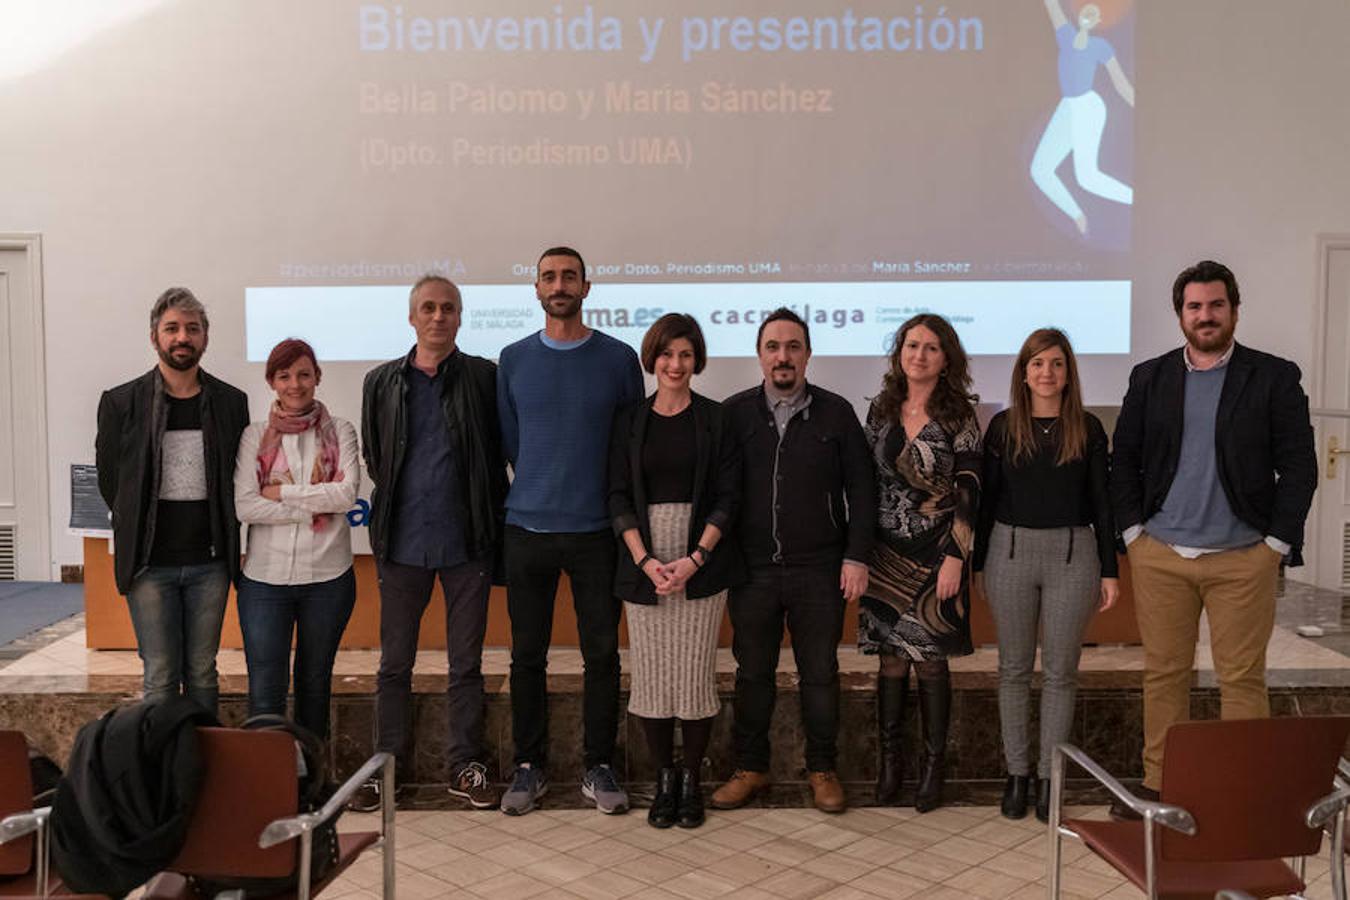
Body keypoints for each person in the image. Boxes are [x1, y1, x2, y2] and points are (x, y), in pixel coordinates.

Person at [1110, 260, 1317, 819]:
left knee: (1242, 678)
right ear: (1180, 314)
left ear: (1234, 310)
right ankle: (1160, 786)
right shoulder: (1150, 378)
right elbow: (1123, 459)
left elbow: (1299, 466)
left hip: (1242, 558)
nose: (1205, 316)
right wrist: (1133, 534)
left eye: (1215, 305)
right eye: (1194, 307)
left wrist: (1275, 544)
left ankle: (1241, 792)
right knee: (1164, 672)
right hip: (1161, 556)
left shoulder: (1272, 377)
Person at [497, 247, 644, 816]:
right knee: (526, 656)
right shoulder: (512, 359)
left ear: (587, 287)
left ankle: (598, 764)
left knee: (601, 655)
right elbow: (513, 442)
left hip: (596, 533)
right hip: (527, 528)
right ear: (535, 288)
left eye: (569, 276)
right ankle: (529, 767)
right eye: (549, 276)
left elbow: (628, 443)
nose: (559, 285)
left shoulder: (619, 359)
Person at [713, 308, 875, 815]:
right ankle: (750, 767)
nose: (783, 356)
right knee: (752, 674)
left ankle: (822, 769)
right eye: (773, 347)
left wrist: (856, 556)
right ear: (759, 355)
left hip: (819, 569)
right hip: (753, 570)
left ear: (807, 354)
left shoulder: (837, 413)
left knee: (820, 674)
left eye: (793, 346)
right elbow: (721, 491)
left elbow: (863, 491)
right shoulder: (734, 414)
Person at [361, 275, 508, 809]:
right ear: (411, 317)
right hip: (402, 542)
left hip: (468, 541)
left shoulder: (484, 377)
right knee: (394, 664)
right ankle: (385, 768)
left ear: (461, 316)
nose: (438, 316)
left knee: (465, 665)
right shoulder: (381, 382)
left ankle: (465, 765)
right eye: (429, 307)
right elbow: (377, 459)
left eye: (448, 308)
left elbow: (496, 453)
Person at [974, 328, 1118, 822]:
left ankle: (1049, 779)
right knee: (1013, 669)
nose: (1047, 373)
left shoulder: (1090, 429)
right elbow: (986, 500)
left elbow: (1103, 502)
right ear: (1024, 371)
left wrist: (1111, 569)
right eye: (1037, 364)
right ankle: (1017, 775)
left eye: (1056, 363)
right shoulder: (1002, 427)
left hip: (1074, 556)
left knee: (1060, 673)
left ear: (1068, 371)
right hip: (1009, 552)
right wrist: (976, 565)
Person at [607, 314, 745, 829]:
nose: (675, 364)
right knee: (652, 677)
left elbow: (729, 496)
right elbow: (617, 494)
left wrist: (696, 558)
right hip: (645, 558)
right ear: (653, 357)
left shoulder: (716, 419)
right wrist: (645, 560)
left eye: (685, 355)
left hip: (700, 562)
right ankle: (663, 778)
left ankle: (691, 779)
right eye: (667, 354)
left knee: (693, 675)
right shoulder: (628, 420)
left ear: (697, 360)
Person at [95, 286, 249, 716]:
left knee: (202, 671)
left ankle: (204, 771)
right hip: (149, 566)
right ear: (154, 337)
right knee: (160, 674)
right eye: (172, 328)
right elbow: (112, 481)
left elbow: (236, 477)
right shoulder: (120, 402)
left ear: (205, 337)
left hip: (211, 564)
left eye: (192, 329)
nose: (183, 337)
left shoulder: (231, 402)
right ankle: (163, 775)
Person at [860, 313, 980, 813]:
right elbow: (864, 484)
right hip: (882, 553)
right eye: (912, 345)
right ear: (899, 353)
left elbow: (970, 491)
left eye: (932, 347)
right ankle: (891, 765)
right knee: (890, 660)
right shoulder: (881, 410)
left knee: (930, 663)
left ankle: (934, 768)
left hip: (938, 554)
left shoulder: (960, 416)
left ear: (946, 357)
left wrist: (957, 557)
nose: (920, 355)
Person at [233, 338, 360, 741]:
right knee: (266, 693)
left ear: (317, 377)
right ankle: (266, 789)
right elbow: (246, 507)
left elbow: (346, 495)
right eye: (284, 375)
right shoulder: (254, 437)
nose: (295, 384)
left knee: (314, 687)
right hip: (264, 581)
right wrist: (311, 506)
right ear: (272, 381)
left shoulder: (340, 431)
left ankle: (314, 785)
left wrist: (282, 493)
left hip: (328, 578)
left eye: (304, 374)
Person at [1030, 0, 1135, 236]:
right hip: (1067, 107)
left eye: (1093, 14)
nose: (1088, 16)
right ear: (1079, 16)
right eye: (1086, 12)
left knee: (1087, 178)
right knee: (1040, 170)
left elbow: (1121, 85)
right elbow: (1052, 7)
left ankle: (1137, 200)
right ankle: (1078, 216)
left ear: (1098, 22)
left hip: (1089, 107)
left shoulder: (1100, 46)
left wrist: (1142, 111)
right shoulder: (1066, 36)